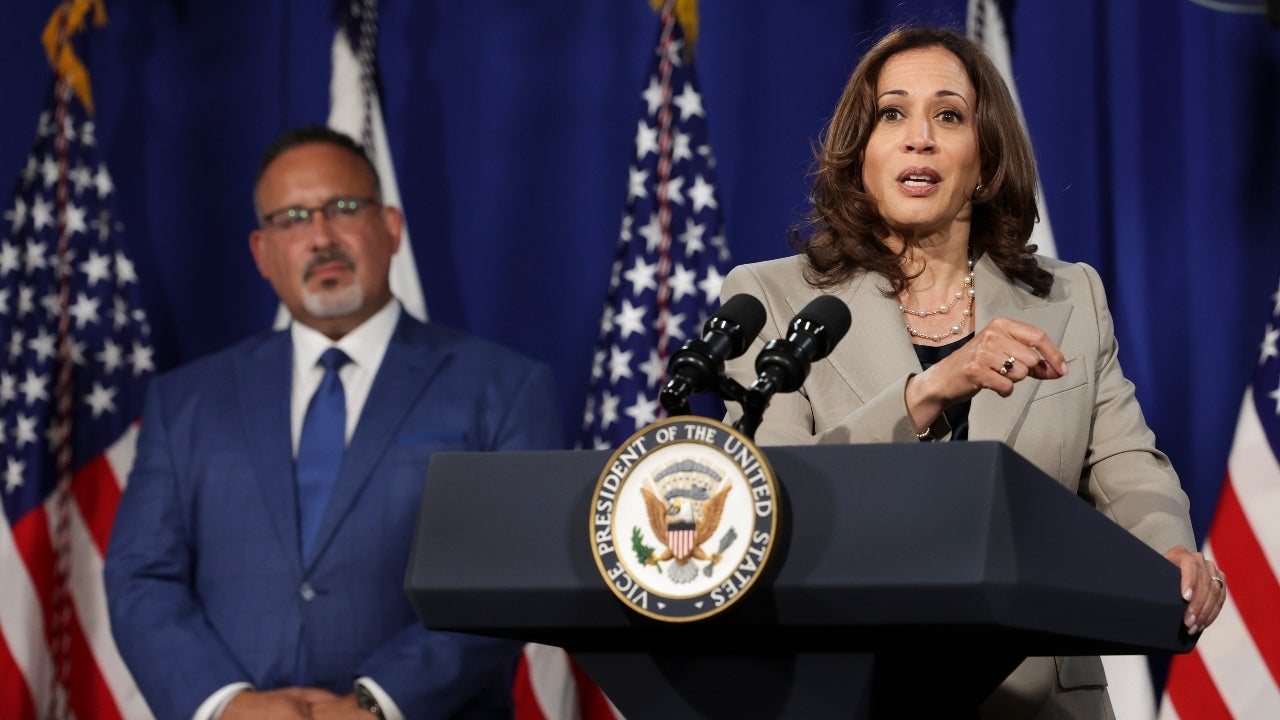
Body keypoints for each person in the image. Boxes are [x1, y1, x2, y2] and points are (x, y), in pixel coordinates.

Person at [721, 27, 1226, 719]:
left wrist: (1170, 546)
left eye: (949, 115)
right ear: (859, 156)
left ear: (985, 161)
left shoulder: (1067, 297)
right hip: (849, 688)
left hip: (1037, 695)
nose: (919, 137)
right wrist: (930, 390)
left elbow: (1125, 463)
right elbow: (774, 490)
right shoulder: (774, 297)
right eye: (891, 113)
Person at [104, 126, 561, 720]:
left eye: (343, 208)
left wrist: (379, 703)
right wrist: (227, 706)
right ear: (262, 253)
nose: (320, 236)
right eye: (291, 218)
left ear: (390, 228)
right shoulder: (185, 400)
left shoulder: (502, 387)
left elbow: (512, 576)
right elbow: (141, 576)